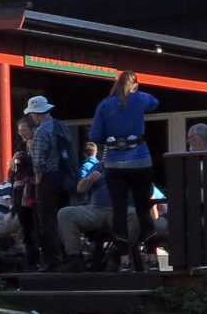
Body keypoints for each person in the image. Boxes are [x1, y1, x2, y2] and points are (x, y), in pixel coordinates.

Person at [89, 70, 160, 273]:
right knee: (143, 210)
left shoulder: (104, 105)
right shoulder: (140, 98)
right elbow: (155, 102)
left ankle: (125, 260)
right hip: (141, 161)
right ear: (135, 84)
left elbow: (95, 134)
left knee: (119, 211)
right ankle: (153, 259)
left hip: (115, 164)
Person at [23, 95, 82, 267]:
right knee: (64, 218)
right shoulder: (62, 127)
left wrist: (39, 182)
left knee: (47, 221)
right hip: (65, 179)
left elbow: (38, 162)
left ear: (36, 113)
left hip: (48, 180)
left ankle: (52, 260)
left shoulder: (41, 132)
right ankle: (69, 256)